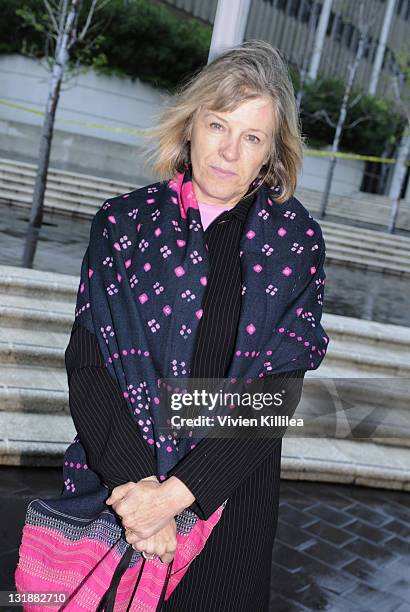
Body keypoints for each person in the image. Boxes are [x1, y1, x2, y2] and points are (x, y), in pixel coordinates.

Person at [15, 40, 329, 611]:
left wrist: (178, 496)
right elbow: (89, 365)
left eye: (252, 137)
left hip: (227, 499)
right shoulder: (124, 224)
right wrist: (143, 497)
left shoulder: (295, 243)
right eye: (218, 125)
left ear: (272, 155)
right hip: (120, 489)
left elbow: (278, 394)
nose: (229, 152)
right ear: (191, 126)